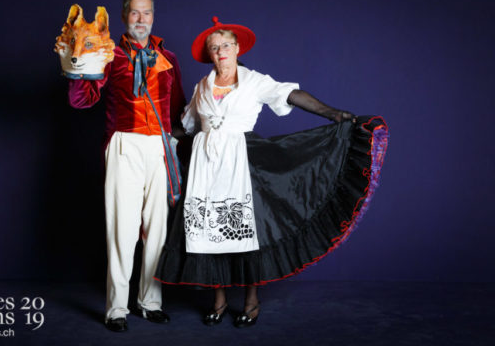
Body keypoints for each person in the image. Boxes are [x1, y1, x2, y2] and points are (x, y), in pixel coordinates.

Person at [155, 17, 388, 327]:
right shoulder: (201, 87)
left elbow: (290, 94)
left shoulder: (253, 81)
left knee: (249, 235)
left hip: (243, 163)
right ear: (210, 54)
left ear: (237, 48)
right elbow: (188, 127)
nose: (221, 51)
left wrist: (332, 113)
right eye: (215, 47)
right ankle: (219, 301)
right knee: (210, 233)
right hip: (206, 168)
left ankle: (251, 302)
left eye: (226, 45)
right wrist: (151, 133)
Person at [66, 0, 186, 332]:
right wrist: (75, 69)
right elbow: (82, 100)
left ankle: (150, 302)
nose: (141, 19)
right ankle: (117, 308)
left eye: (146, 13)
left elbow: (177, 108)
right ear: (123, 16)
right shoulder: (107, 54)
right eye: (135, 13)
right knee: (122, 229)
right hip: (124, 143)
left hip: (159, 146)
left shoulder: (169, 57)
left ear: (153, 16)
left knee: (158, 230)